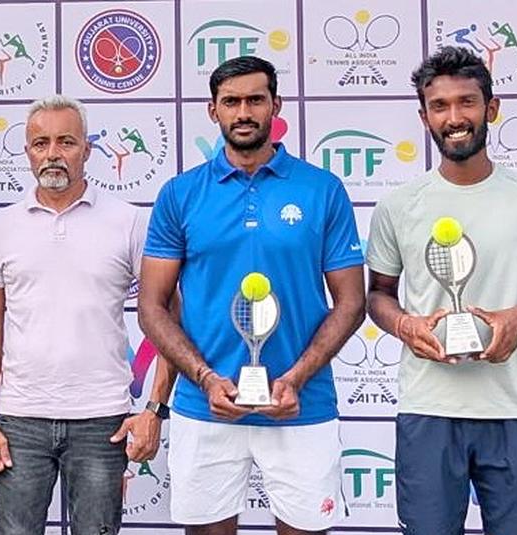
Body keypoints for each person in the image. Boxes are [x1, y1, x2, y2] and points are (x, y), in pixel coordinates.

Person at [137, 56, 365, 534]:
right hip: (207, 406)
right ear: (213, 110)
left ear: (275, 106)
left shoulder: (322, 189)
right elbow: (152, 307)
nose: (243, 112)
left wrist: (297, 379)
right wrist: (204, 379)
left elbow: (350, 302)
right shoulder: (180, 194)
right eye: (231, 101)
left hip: (302, 405)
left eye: (255, 100)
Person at [366, 46, 517, 535]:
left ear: (491, 108)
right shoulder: (399, 205)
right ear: (424, 117)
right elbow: (377, 294)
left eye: (466, 102)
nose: (455, 117)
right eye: (439, 106)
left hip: (515, 409)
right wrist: (405, 325)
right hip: (428, 411)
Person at [0, 95, 164, 534]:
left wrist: (154, 407)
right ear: (26, 152)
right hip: (20, 420)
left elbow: (164, 316)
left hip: (103, 420)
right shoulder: (1, 226)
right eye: (40, 143)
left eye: (66, 142)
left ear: (87, 149)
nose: (53, 154)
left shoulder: (128, 221)